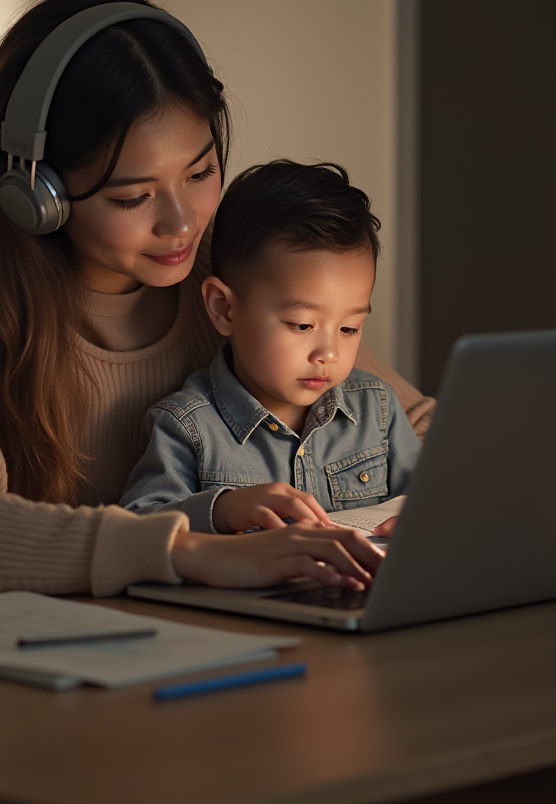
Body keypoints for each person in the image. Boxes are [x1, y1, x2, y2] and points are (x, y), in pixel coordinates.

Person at [0, 0, 434, 597]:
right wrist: (189, 552)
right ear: (36, 195)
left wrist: (436, 502)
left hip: (122, 632)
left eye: (201, 172)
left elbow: (413, 423)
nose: (182, 222)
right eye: (133, 196)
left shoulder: (225, 264)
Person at [120, 160, 420, 536]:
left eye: (349, 327)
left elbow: (435, 496)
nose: (328, 352)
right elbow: (134, 529)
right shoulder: (188, 427)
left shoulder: (376, 408)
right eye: (302, 325)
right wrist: (223, 510)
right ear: (224, 308)